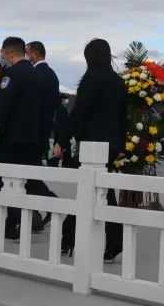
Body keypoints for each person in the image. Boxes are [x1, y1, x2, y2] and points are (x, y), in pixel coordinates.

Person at [57, 38, 127, 261]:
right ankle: (112, 241)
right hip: (112, 143)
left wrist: (61, 140)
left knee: (87, 191)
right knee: (103, 193)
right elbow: (122, 115)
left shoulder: (91, 79)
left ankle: (68, 238)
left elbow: (79, 113)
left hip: (93, 144)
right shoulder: (117, 81)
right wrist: (122, 144)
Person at [0, 37, 49, 240]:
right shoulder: (37, 75)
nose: (2, 58)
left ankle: (12, 223)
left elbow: (3, 106)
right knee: (29, 181)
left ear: (9, 53)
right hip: (31, 138)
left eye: (3, 54)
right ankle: (29, 218)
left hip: (11, 138)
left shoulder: (10, 73)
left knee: (5, 180)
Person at [25, 41, 59, 205]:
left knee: (29, 172)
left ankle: (51, 203)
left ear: (35, 53)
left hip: (33, 131)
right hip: (44, 129)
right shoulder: (52, 74)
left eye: (27, 53)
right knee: (31, 171)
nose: (26, 56)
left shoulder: (35, 73)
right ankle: (36, 215)